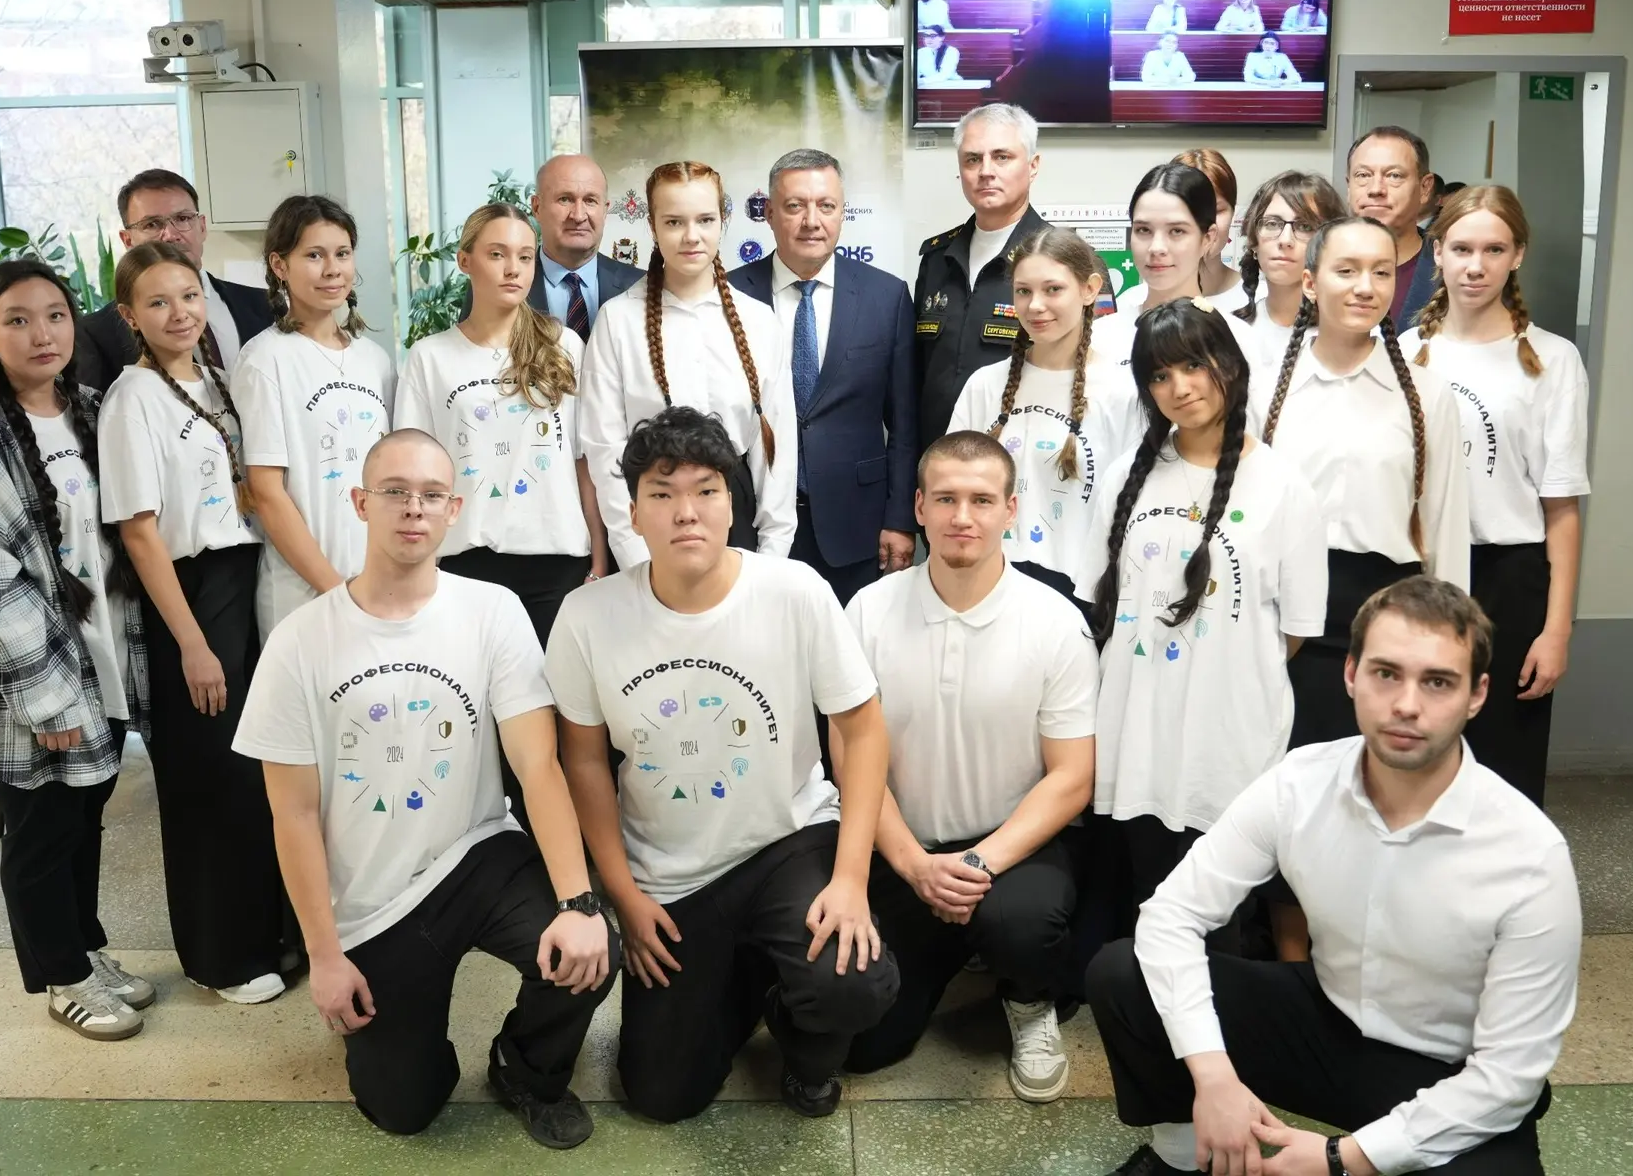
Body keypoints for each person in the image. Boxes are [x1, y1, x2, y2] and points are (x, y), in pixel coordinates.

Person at [1089, 576, 1581, 1176]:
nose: (1407, 704)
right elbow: (1171, 916)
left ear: (1476, 695)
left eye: (1437, 682)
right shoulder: (1300, 783)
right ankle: (1182, 1160)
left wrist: (1340, 1160)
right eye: (1386, 673)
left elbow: (1510, 1076)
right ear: (1351, 674)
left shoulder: (1529, 855)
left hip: (1448, 1069)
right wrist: (1213, 1076)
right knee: (1125, 974)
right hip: (1326, 1017)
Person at [235, 429, 617, 1144]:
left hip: (478, 854)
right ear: (361, 503)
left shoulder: (492, 611)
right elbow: (293, 814)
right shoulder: (299, 642)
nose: (414, 508)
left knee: (589, 954)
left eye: (432, 495)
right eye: (396, 492)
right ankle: (410, 1044)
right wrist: (324, 956)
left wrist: (578, 903)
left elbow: (538, 766)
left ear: (454, 510)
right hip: (374, 900)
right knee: (402, 1109)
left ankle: (525, 1069)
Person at [546, 407, 900, 1122]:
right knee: (660, 1096)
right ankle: (749, 981)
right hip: (671, 874)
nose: (687, 512)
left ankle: (802, 1053)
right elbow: (582, 763)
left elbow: (862, 731)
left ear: (732, 503)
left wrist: (851, 880)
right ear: (633, 513)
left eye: (706, 490)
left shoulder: (795, 591)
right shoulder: (587, 618)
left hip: (786, 840)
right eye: (662, 493)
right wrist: (624, 897)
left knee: (850, 985)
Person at [841, 431, 1096, 1100]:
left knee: (1022, 926)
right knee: (863, 1046)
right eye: (946, 499)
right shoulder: (867, 611)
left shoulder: (1055, 622)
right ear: (918, 508)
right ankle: (948, 949)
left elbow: (1072, 777)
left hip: (1011, 848)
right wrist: (914, 866)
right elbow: (849, 761)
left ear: (1011, 509)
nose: (963, 517)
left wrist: (978, 864)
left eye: (982, 500)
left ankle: (1027, 998)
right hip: (902, 846)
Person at [0, 259, 153, 1041]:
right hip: (28, 674)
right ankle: (62, 977)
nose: (42, 334)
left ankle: (84, 948)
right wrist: (48, 700)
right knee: (38, 829)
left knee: (85, 814)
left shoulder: (91, 409)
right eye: (18, 320)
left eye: (55, 315)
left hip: (100, 658)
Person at [1089, 299, 1326, 940]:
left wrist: (1218, 661)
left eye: (1194, 365)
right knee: (1147, 905)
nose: (1180, 387)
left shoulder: (1283, 487)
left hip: (1227, 739)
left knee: (1222, 919)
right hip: (1138, 735)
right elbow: (1101, 603)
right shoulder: (1126, 477)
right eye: (1160, 375)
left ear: (1230, 365)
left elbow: (1296, 631)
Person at [97, 242, 291, 1005]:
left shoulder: (213, 380)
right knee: (207, 778)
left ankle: (268, 935)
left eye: (188, 296)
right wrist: (192, 644)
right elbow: (140, 532)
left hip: (242, 578)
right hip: (189, 593)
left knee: (251, 774)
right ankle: (222, 959)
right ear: (129, 316)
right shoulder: (132, 398)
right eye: (158, 302)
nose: (179, 313)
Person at [1253, 216, 1470, 750]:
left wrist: (1454, 638)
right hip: (1283, 615)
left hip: (1388, 615)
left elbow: (1446, 522)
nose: (1365, 287)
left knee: (1377, 771)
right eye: (1346, 270)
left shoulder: (1427, 394)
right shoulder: (1262, 385)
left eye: (1381, 272)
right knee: (1286, 767)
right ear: (1310, 282)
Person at [1404, 186, 1590, 807]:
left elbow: (1562, 507)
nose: (1475, 266)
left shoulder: (1553, 360)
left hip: (1510, 576)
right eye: (1461, 248)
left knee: (1504, 766)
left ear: (1518, 256)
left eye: (1493, 250)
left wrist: (1556, 630)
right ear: (1437, 252)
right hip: (1421, 572)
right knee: (1416, 749)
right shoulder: (1404, 354)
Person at [394, 203, 606, 645]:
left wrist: (599, 561)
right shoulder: (429, 358)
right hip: (466, 562)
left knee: (559, 688)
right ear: (465, 260)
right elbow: (416, 478)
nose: (513, 269)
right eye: (497, 254)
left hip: (558, 560)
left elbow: (584, 460)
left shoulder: (564, 345)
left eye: (525, 257)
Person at [580, 161, 795, 568]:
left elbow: (777, 451)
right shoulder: (618, 320)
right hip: (651, 522)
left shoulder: (758, 320)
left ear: (723, 221)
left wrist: (772, 555)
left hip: (737, 520)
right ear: (652, 227)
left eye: (705, 220)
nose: (691, 236)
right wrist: (636, 560)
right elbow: (604, 450)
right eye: (674, 222)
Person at [727, 150, 919, 606]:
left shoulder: (886, 296)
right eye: (795, 206)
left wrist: (900, 519)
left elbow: (905, 425)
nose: (812, 221)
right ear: (768, 213)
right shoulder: (729, 294)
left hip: (857, 526)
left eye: (826, 206)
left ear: (842, 212)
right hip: (750, 523)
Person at [948, 226, 1141, 612]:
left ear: (1089, 289)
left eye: (1053, 289)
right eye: (1023, 291)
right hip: (990, 590)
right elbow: (953, 489)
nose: (1035, 305)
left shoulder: (1123, 392)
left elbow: (1132, 510)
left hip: (1084, 597)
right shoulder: (984, 386)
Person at [230, 196, 396, 638]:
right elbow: (267, 492)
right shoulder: (265, 358)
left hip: (378, 587)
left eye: (342, 254)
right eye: (314, 256)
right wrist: (337, 592)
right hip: (303, 596)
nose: (332, 270)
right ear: (279, 265)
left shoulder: (375, 360)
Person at [912, 103, 1051, 448]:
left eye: (1002, 157)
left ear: (1033, 166)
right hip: (940, 459)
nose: (986, 171)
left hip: (1023, 459)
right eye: (973, 159)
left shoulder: (1065, 261)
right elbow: (916, 376)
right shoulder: (937, 259)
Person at [78, 168, 271, 396]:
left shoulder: (264, 304)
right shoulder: (96, 333)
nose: (170, 235)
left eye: (183, 218)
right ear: (127, 240)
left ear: (202, 226)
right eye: (152, 224)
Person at [463, 154, 644, 341]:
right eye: (565, 199)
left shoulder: (641, 285)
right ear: (537, 207)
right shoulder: (493, 285)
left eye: (590, 200)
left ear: (605, 210)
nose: (578, 216)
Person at [1231, 170, 1350, 372]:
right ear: (1253, 241)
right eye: (1272, 224)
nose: (1285, 240)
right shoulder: (1231, 331)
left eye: (1304, 226)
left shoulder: (1352, 334)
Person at [1347, 125, 1441, 326]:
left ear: (1425, 188)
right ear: (1349, 187)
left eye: (1394, 176)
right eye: (1363, 175)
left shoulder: (1447, 270)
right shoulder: (1320, 264)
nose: (1376, 189)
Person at [1115, 162, 1225, 321]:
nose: (1156, 248)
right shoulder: (1102, 334)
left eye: (1177, 231)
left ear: (1208, 238)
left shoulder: (1235, 333)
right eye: (1144, 230)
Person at [1170, 149, 1248, 316]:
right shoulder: (1134, 302)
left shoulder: (1263, 301)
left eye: (1216, 210)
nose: (1202, 223)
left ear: (1233, 213)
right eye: (1188, 210)